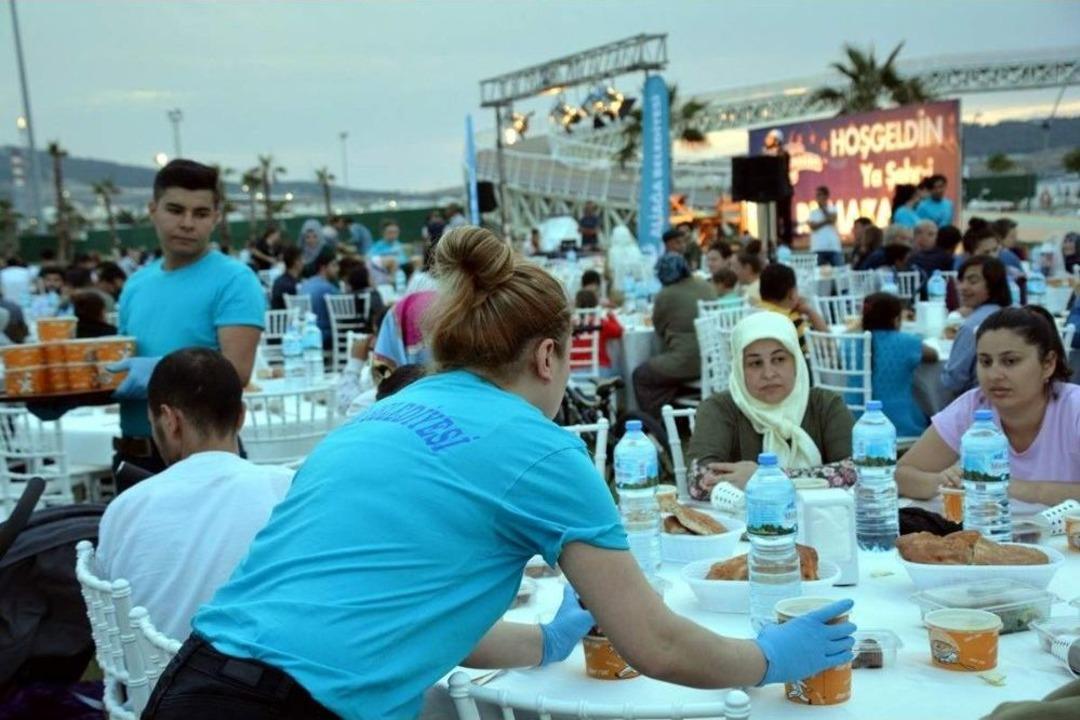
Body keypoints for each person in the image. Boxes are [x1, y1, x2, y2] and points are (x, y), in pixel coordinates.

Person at [142, 226, 856, 720]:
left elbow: (405, 606)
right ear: (549, 358)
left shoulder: (379, 416)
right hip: (297, 707)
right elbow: (655, 643)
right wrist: (766, 658)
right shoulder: (540, 447)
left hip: (195, 680)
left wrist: (544, 642)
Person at [95, 349, 292, 640]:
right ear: (241, 416)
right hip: (264, 677)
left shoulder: (125, 508)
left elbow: (112, 616)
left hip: (155, 681)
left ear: (170, 420)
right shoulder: (289, 491)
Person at [109, 159, 265, 477]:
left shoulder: (234, 279)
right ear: (153, 210)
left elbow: (236, 372)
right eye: (176, 210)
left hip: (203, 460)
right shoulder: (136, 284)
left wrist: (157, 372)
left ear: (216, 218)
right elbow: (122, 369)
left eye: (201, 213)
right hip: (133, 455)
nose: (187, 223)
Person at [898, 306, 1079, 506]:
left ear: (1048, 364)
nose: (994, 375)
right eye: (985, 362)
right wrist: (941, 481)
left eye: (1010, 361)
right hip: (992, 532)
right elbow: (901, 474)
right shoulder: (974, 405)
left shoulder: (1074, 408)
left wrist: (1013, 488)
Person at [687, 312, 856, 496]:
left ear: (796, 362)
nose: (768, 373)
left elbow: (859, 470)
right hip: (744, 523)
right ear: (739, 369)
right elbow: (699, 482)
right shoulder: (719, 408)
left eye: (779, 359)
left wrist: (764, 479)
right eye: (755, 363)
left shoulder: (825, 405)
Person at [632, 253, 717, 420]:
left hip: (686, 362)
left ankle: (656, 424)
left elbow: (659, 328)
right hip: (712, 361)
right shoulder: (705, 285)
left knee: (641, 375)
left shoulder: (666, 294)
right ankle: (677, 415)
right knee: (662, 373)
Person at [862, 293, 938, 437]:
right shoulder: (906, 342)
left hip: (854, 421)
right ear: (896, 319)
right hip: (899, 423)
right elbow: (934, 355)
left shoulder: (850, 343)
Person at [940, 256, 1012, 397]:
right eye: (961, 281)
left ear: (993, 284)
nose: (963, 287)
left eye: (973, 281)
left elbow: (953, 382)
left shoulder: (972, 327)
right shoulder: (1014, 313)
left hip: (978, 407)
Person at [756, 263, 827, 352]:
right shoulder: (793, 322)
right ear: (791, 294)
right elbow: (827, 340)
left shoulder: (755, 312)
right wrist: (810, 311)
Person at [572, 289, 623, 375]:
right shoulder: (599, 323)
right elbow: (619, 331)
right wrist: (611, 316)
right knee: (620, 370)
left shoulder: (571, 325)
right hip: (600, 370)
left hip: (574, 372)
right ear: (595, 304)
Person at [300, 249, 339, 346]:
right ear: (323, 268)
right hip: (322, 335)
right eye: (334, 265)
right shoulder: (328, 288)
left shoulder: (305, 284)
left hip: (303, 334)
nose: (337, 269)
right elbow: (343, 313)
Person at [345, 265, 386, 333]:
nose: (373, 279)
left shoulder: (346, 296)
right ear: (365, 279)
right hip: (367, 331)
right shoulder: (373, 294)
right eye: (370, 277)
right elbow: (379, 313)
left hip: (346, 331)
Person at [808, 186, 843, 267]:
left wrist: (823, 209)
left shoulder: (833, 209)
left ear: (826, 196)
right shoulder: (813, 213)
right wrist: (826, 221)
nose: (817, 198)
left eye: (820, 195)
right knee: (817, 275)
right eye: (817, 195)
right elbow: (813, 226)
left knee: (839, 272)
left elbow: (832, 220)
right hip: (818, 248)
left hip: (833, 247)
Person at [271, 245, 304, 311]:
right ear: (296, 262)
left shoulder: (278, 281)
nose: (303, 262)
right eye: (302, 259)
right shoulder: (292, 286)